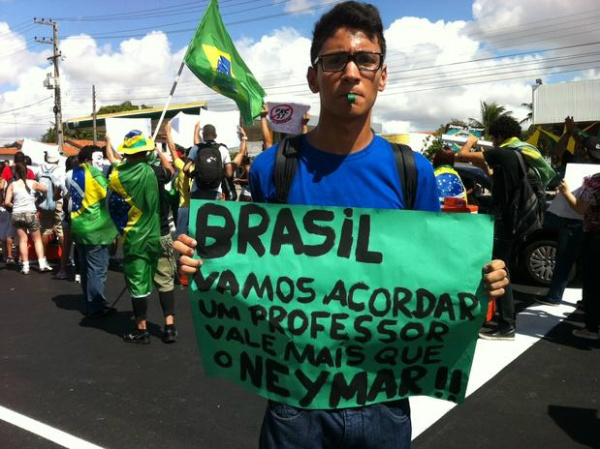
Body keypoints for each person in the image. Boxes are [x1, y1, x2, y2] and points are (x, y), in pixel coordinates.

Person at [175, 2, 509, 448]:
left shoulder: (413, 172)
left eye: (365, 60)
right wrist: (202, 264)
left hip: (384, 400)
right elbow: (255, 273)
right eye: (335, 61)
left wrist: (481, 282)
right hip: (294, 404)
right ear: (314, 77)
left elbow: (433, 279)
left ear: (381, 76)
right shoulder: (273, 169)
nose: (350, 73)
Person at [456, 116, 543, 340]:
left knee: (498, 271)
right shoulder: (516, 154)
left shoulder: (502, 152)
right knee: (506, 271)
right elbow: (494, 177)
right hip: (514, 222)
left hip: (504, 223)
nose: (492, 142)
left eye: (493, 137)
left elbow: (461, 156)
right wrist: (484, 164)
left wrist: (472, 139)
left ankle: (506, 327)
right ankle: (506, 323)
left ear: (499, 136)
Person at [535, 117, 600, 306]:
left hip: (575, 217)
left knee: (565, 259)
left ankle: (556, 297)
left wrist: (570, 131)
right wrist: (569, 132)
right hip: (586, 222)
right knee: (588, 264)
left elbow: (559, 151)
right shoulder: (578, 160)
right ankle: (588, 301)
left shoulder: (578, 163)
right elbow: (560, 150)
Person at [107, 131, 161, 344]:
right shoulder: (152, 170)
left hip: (134, 235)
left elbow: (114, 164)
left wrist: (110, 145)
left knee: (137, 284)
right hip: (154, 233)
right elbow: (157, 157)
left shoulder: (118, 174)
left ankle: (141, 329)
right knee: (149, 280)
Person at [68, 146, 119, 317]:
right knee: (97, 269)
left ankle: (90, 302)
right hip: (97, 230)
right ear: (90, 159)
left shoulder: (71, 173)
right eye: (99, 158)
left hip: (80, 227)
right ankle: (97, 306)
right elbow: (111, 195)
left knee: (85, 269)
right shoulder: (96, 176)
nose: (101, 162)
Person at [558, 167, 600, 340]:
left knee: (593, 283)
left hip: (596, 236)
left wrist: (566, 192)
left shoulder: (596, 182)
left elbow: (580, 208)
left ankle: (591, 328)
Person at [3, 162, 52, 274]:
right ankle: (41, 263)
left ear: (15, 173)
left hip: (17, 214)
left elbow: (6, 202)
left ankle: (25, 266)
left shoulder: (12, 185)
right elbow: (45, 190)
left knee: (22, 240)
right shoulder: (33, 183)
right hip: (31, 213)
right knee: (37, 240)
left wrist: (14, 205)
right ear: (27, 172)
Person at [183, 124, 233, 200]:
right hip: (216, 191)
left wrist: (190, 175)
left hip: (197, 190)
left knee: (197, 211)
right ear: (215, 135)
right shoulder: (222, 149)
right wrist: (218, 174)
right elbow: (229, 173)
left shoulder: (196, 148)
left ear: (203, 135)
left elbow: (185, 168)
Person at [37, 148, 65, 262]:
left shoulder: (40, 169)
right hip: (58, 203)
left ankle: (43, 258)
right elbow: (62, 187)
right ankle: (65, 257)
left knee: (45, 230)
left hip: (44, 204)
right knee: (61, 230)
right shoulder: (59, 170)